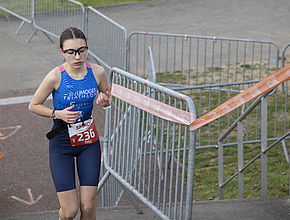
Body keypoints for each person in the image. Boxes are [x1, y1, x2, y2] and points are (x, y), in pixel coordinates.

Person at [29, 27, 111, 220]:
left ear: (87, 49)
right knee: (70, 212)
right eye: (71, 52)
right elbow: (33, 105)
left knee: (88, 206)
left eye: (81, 50)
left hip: (88, 141)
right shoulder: (55, 76)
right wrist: (57, 114)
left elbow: (107, 96)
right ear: (62, 52)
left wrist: (106, 102)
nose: (77, 56)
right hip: (62, 142)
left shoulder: (98, 72)